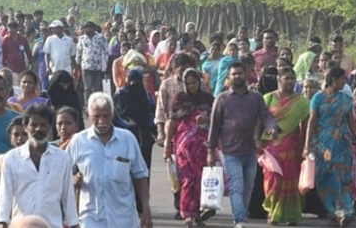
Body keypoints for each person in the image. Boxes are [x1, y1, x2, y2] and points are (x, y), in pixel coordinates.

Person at [206, 62, 279, 228]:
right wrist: (210, 151)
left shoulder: (256, 97)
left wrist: (272, 128)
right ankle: (239, 219)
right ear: (228, 77)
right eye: (234, 74)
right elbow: (214, 126)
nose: (237, 76)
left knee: (248, 187)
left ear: (245, 75)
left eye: (240, 73)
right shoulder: (222, 99)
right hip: (230, 152)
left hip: (250, 150)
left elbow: (267, 116)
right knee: (236, 186)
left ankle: (241, 213)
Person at [66, 93, 153, 227]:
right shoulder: (78, 141)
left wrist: (146, 209)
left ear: (112, 114)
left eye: (106, 116)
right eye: (96, 116)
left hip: (124, 220)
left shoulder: (127, 139)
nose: (101, 121)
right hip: (91, 220)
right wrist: (73, 180)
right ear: (89, 115)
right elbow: (63, 175)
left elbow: (140, 176)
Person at [0, 105, 80, 228]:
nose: (38, 129)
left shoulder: (62, 158)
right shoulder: (11, 159)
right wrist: (2, 222)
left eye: (43, 125)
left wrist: (73, 224)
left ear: (50, 127)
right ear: (26, 127)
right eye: (33, 125)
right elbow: (5, 195)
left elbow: (68, 197)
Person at [303, 67, 356, 227]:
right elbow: (312, 122)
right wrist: (307, 145)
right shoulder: (318, 98)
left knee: (343, 178)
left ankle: (345, 212)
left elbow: (352, 123)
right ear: (333, 79)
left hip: (342, 144)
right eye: (342, 79)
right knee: (325, 179)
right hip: (322, 145)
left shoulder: (346, 99)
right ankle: (332, 211)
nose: (345, 82)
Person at [163, 68, 215, 227]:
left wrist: (207, 118)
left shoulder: (207, 99)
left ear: (200, 82)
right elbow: (172, 122)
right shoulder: (179, 99)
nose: (192, 86)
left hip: (202, 146)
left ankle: (197, 213)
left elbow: (217, 119)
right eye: (188, 83)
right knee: (187, 179)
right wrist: (167, 145)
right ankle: (187, 214)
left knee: (200, 179)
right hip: (183, 146)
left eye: (194, 82)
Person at [260, 67, 310, 225]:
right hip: (271, 146)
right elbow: (259, 120)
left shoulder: (302, 102)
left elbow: (306, 124)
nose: (290, 81)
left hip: (293, 146)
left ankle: (291, 215)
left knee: (291, 179)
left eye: (292, 78)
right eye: (286, 78)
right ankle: (273, 211)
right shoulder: (267, 98)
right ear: (279, 80)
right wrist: (257, 141)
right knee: (272, 178)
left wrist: (305, 147)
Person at [117, 69, 158, 168]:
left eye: (136, 81)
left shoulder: (147, 95)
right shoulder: (121, 95)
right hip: (125, 136)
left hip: (145, 136)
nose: (133, 84)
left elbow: (152, 113)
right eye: (131, 81)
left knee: (144, 166)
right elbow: (117, 116)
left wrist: (153, 129)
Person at [77, 21, 109, 101]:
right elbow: (79, 52)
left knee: (96, 89)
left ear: (93, 28)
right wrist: (77, 63)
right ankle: (87, 106)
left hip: (97, 67)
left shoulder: (100, 37)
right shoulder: (82, 38)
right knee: (87, 88)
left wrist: (105, 64)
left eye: (90, 28)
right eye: (86, 28)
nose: (88, 29)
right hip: (86, 66)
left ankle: (95, 104)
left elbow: (106, 51)